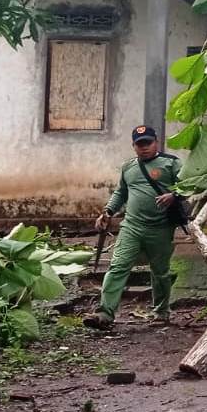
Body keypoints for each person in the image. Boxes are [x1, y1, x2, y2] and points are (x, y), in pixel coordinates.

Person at [86, 125, 183, 330]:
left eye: (148, 143)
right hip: (132, 226)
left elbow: (188, 186)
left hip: (161, 228)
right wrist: (108, 212)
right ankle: (104, 313)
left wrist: (174, 196)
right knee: (118, 266)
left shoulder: (171, 164)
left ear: (156, 142)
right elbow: (120, 193)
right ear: (133, 146)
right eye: (140, 144)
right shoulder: (128, 167)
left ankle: (161, 312)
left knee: (160, 272)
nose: (144, 147)